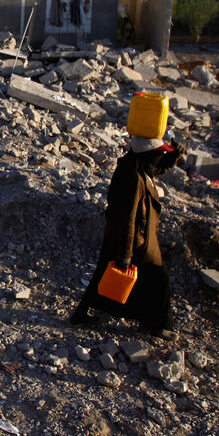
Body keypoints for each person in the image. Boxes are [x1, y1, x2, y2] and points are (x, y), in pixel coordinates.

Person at [70, 135, 186, 339]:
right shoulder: (133, 177)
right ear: (148, 155)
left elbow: (155, 171)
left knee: (102, 275)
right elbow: (128, 218)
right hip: (133, 241)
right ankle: (155, 324)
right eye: (159, 154)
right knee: (161, 279)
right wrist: (126, 254)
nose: (160, 158)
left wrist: (174, 156)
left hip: (123, 238)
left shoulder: (138, 168)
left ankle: (80, 315)